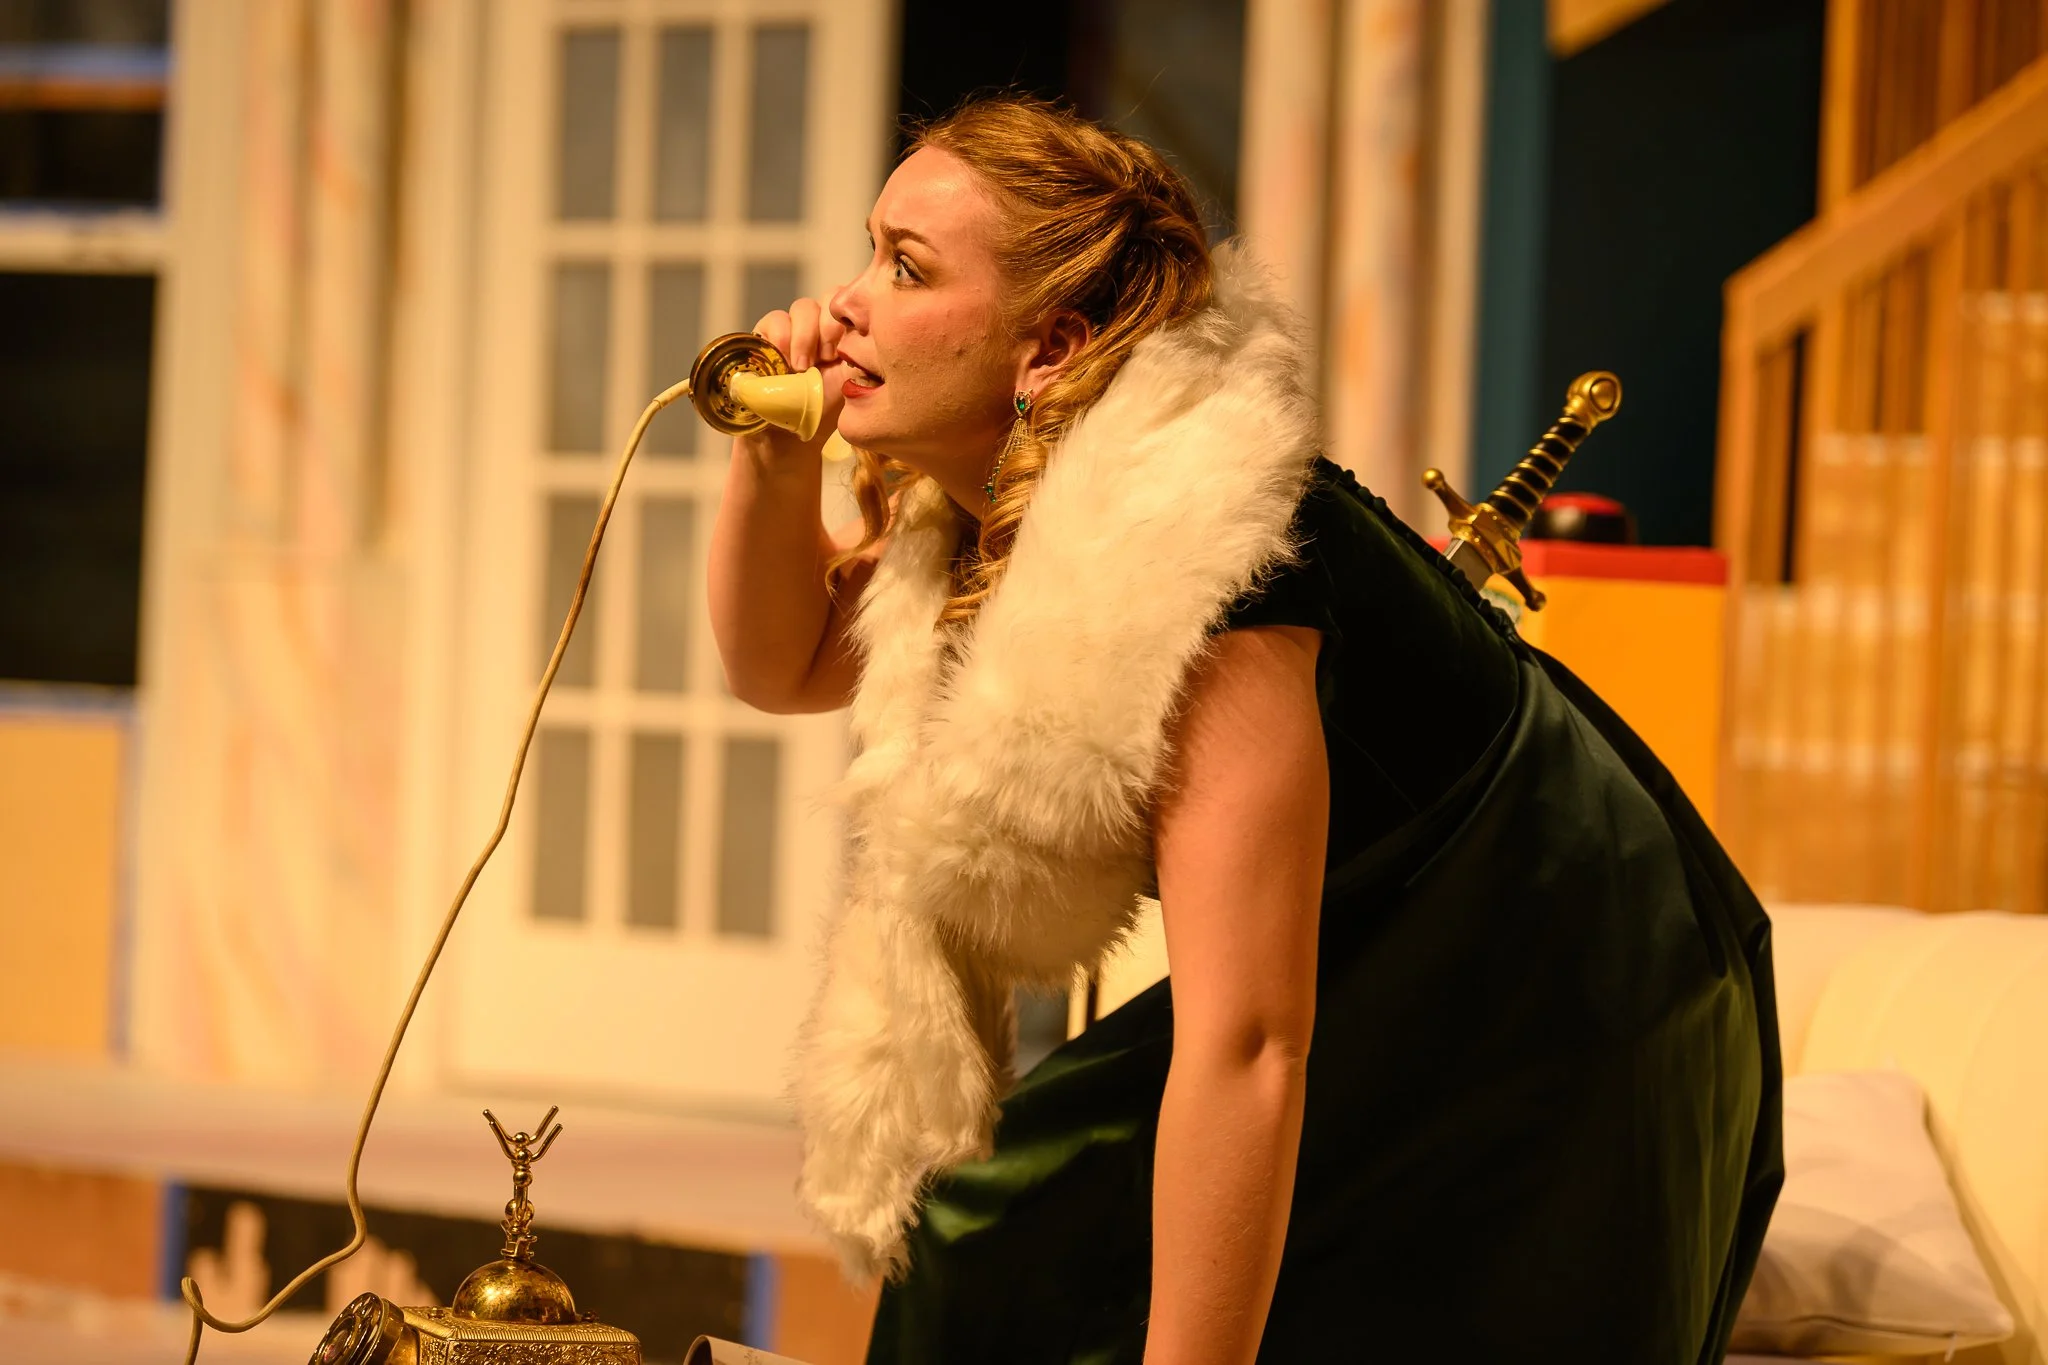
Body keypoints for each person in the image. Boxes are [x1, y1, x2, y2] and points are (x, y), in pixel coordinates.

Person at [707, 96, 1781, 1365]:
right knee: (1001, 1230)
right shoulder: (976, 504)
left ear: (1050, 348)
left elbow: (1251, 1040)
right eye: (868, 251)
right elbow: (783, 665)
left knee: (1000, 1235)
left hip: (1566, 980)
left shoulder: (1205, 557)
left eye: (906, 267)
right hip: (1395, 953)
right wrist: (772, 451)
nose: (843, 304)